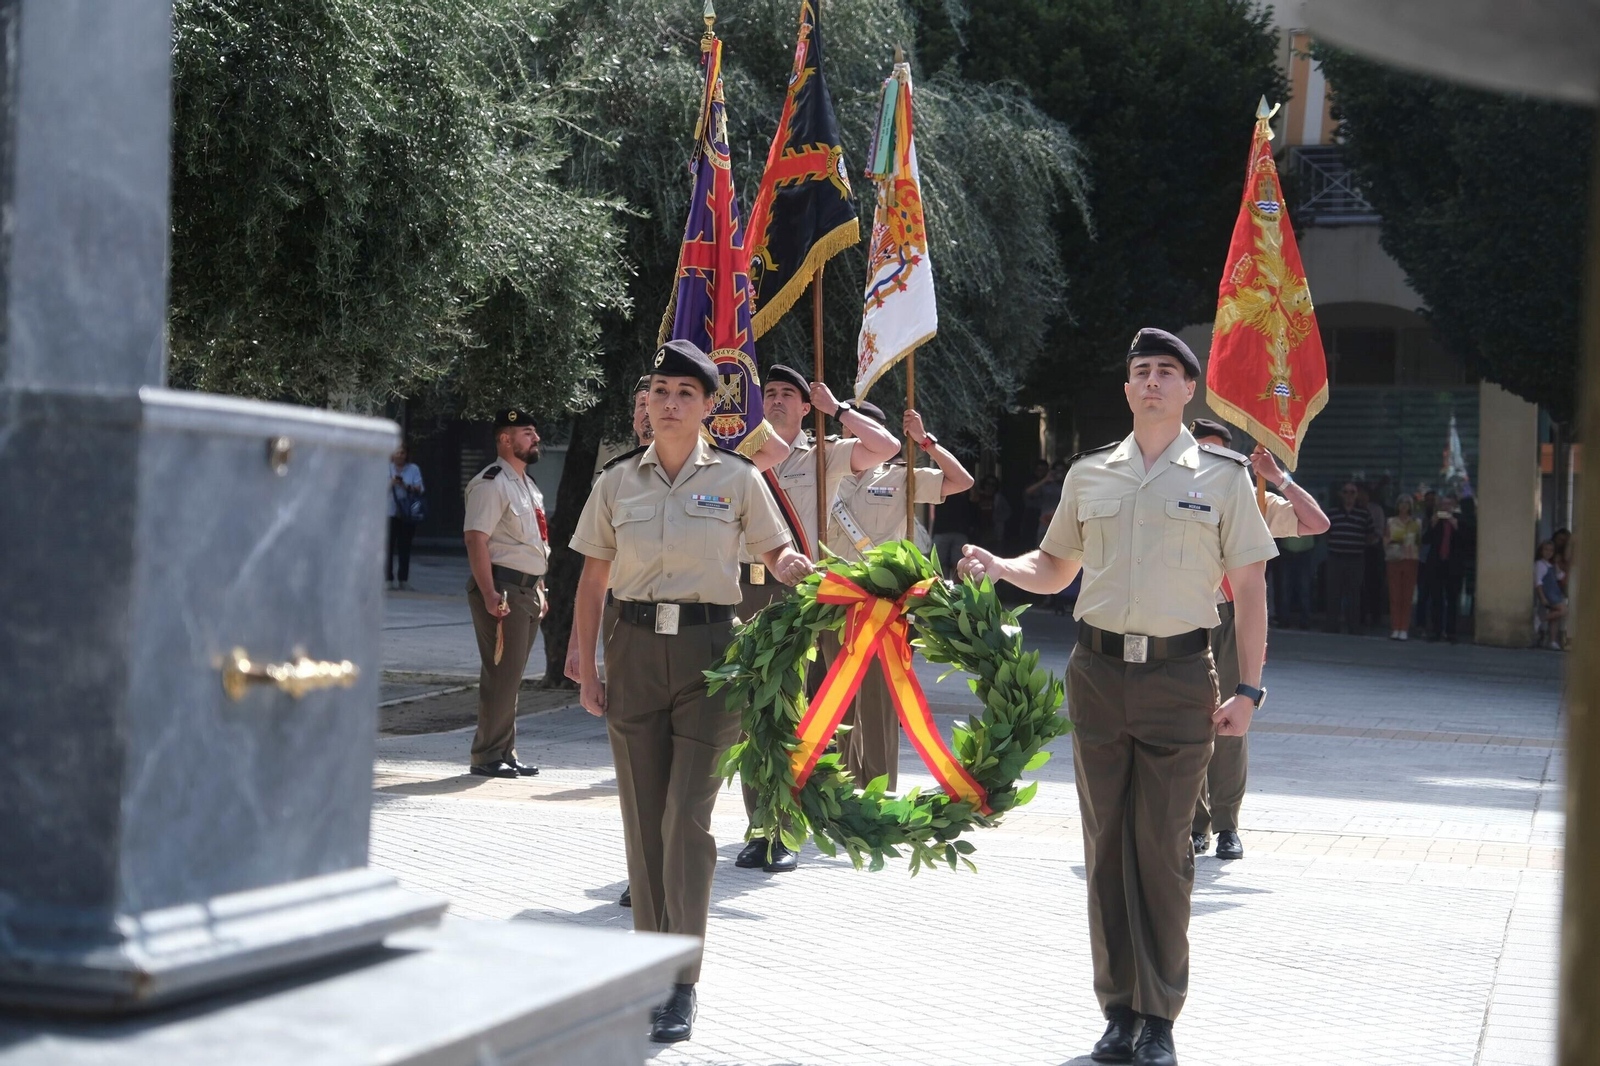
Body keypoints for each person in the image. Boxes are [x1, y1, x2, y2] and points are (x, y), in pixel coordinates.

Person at [958, 329, 1275, 1066]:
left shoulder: (1224, 478)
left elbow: (1252, 588)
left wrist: (1250, 689)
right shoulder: (1090, 474)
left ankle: (1159, 1016)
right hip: (1097, 676)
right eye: (1141, 372)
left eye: (1167, 371)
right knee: (1105, 849)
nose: (1153, 382)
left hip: (1177, 679)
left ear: (1189, 389)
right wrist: (999, 565)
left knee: (1161, 849)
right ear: (1127, 389)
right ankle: (1118, 1014)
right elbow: (1053, 566)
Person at [569, 340, 814, 1044]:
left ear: (711, 407)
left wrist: (794, 564)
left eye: (685, 393)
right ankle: (652, 964)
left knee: (687, 820)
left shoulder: (738, 479)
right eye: (660, 391)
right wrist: (587, 663)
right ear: (646, 401)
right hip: (635, 648)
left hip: (712, 652)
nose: (669, 403)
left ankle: (681, 980)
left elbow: (775, 552)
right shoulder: (617, 482)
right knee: (644, 820)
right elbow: (591, 581)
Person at [733, 363, 901, 873]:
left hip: (803, 597)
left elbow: (887, 448)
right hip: (743, 591)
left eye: (789, 394)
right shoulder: (741, 454)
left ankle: (791, 824)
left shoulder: (824, 455)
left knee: (803, 713)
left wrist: (840, 410)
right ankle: (760, 824)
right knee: (753, 715)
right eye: (772, 392)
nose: (778, 400)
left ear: (806, 407)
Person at [1186, 420, 1327, 863]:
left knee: (1230, 719)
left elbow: (1315, 522)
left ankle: (1226, 825)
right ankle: (1194, 825)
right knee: (1185, 720)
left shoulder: (1253, 500)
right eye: (1201, 454)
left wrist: (1279, 476)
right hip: (1183, 614)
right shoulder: (1169, 493)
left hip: (1231, 616)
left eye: (1221, 456)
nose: (1210, 464)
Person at [825, 405, 973, 791]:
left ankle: (877, 792)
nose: (854, 438)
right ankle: (839, 794)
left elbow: (961, 481)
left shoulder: (899, 476)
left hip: (881, 605)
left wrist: (926, 441)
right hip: (830, 602)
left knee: (877, 704)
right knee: (831, 702)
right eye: (848, 429)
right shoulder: (821, 469)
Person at [462, 410, 549, 779]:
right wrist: (488, 593)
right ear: (505, 440)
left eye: (535, 433)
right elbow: (475, 538)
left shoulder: (527, 485)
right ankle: (486, 755)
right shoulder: (491, 482)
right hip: (505, 589)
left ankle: (504, 751)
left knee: (511, 675)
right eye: (526, 433)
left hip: (527, 589)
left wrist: (541, 589)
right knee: (501, 674)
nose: (536, 439)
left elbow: (535, 543)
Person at [1324, 482, 1372, 634]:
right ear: (1341, 494)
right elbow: (1325, 532)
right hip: (1335, 557)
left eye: (1352, 492)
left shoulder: (1364, 514)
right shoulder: (1332, 513)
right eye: (1346, 492)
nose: (1349, 495)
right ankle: (1332, 626)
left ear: (1357, 495)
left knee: (1354, 593)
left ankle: (1353, 627)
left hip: (1355, 558)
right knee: (1333, 593)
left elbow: (1370, 535)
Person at [1419, 493, 1465, 642]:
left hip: (1453, 566)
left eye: (1448, 505)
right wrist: (1432, 524)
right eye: (1443, 505)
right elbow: (1425, 540)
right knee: (1436, 598)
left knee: (1452, 599)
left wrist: (1455, 525)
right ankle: (1437, 630)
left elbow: (1466, 541)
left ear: (1453, 506)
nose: (1445, 508)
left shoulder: (1459, 520)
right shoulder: (1436, 521)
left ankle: (1451, 631)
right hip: (1436, 564)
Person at [386, 444, 425, 591]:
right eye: (397, 452)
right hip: (389, 513)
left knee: (405, 547)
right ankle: (388, 579)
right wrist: (391, 483)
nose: (400, 455)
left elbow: (420, 488)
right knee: (388, 547)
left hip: (407, 514)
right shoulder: (386, 468)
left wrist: (404, 485)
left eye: (402, 452)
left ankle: (403, 579)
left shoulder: (413, 469)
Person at [1385, 495, 1422, 640]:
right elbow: (1386, 539)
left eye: (1407, 504)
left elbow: (1419, 540)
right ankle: (1395, 627)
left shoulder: (1416, 522)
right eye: (1401, 503)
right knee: (1395, 594)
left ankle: (1404, 628)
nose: (1404, 506)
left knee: (1407, 595)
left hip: (1411, 558)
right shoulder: (1391, 521)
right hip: (1394, 558)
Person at [1359, 485, 1387, 628]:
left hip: (1373, 551)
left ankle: (1376, 617)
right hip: (1357, 551)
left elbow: (1380, 531)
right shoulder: (1355, 509)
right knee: (1359, 586)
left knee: (1374, 584)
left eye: (1364, 494)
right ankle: (1360, 617)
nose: (1362, 497)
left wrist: (1370, 539)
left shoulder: (1376, 510)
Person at [1535, 539, 1567, 650]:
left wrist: (1557, 566)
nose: (1548, 552)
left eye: (1551, 550)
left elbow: (1560, 576)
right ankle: (1540, 619)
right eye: (1546, 550)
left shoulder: (1551, 565)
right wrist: (1542, 597)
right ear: (1541, 551)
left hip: (1555, 592)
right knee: (1563, 610)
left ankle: (1552, 640)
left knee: (1556, 617)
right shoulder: (1540, 564)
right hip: (1548, 593)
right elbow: (1538, 582)